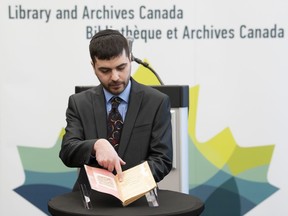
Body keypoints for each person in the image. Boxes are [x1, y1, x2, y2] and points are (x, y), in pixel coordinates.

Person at [59, 29, 173, 190]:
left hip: (138, 197)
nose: (115, 77)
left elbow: (163, 159)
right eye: (105, 70)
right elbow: (67, 152)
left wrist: (129, 184)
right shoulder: (79, 103)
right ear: (93, 66)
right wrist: (95, 145)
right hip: (90, 201)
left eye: (121, 67)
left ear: (130, 59)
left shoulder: (157, 102)